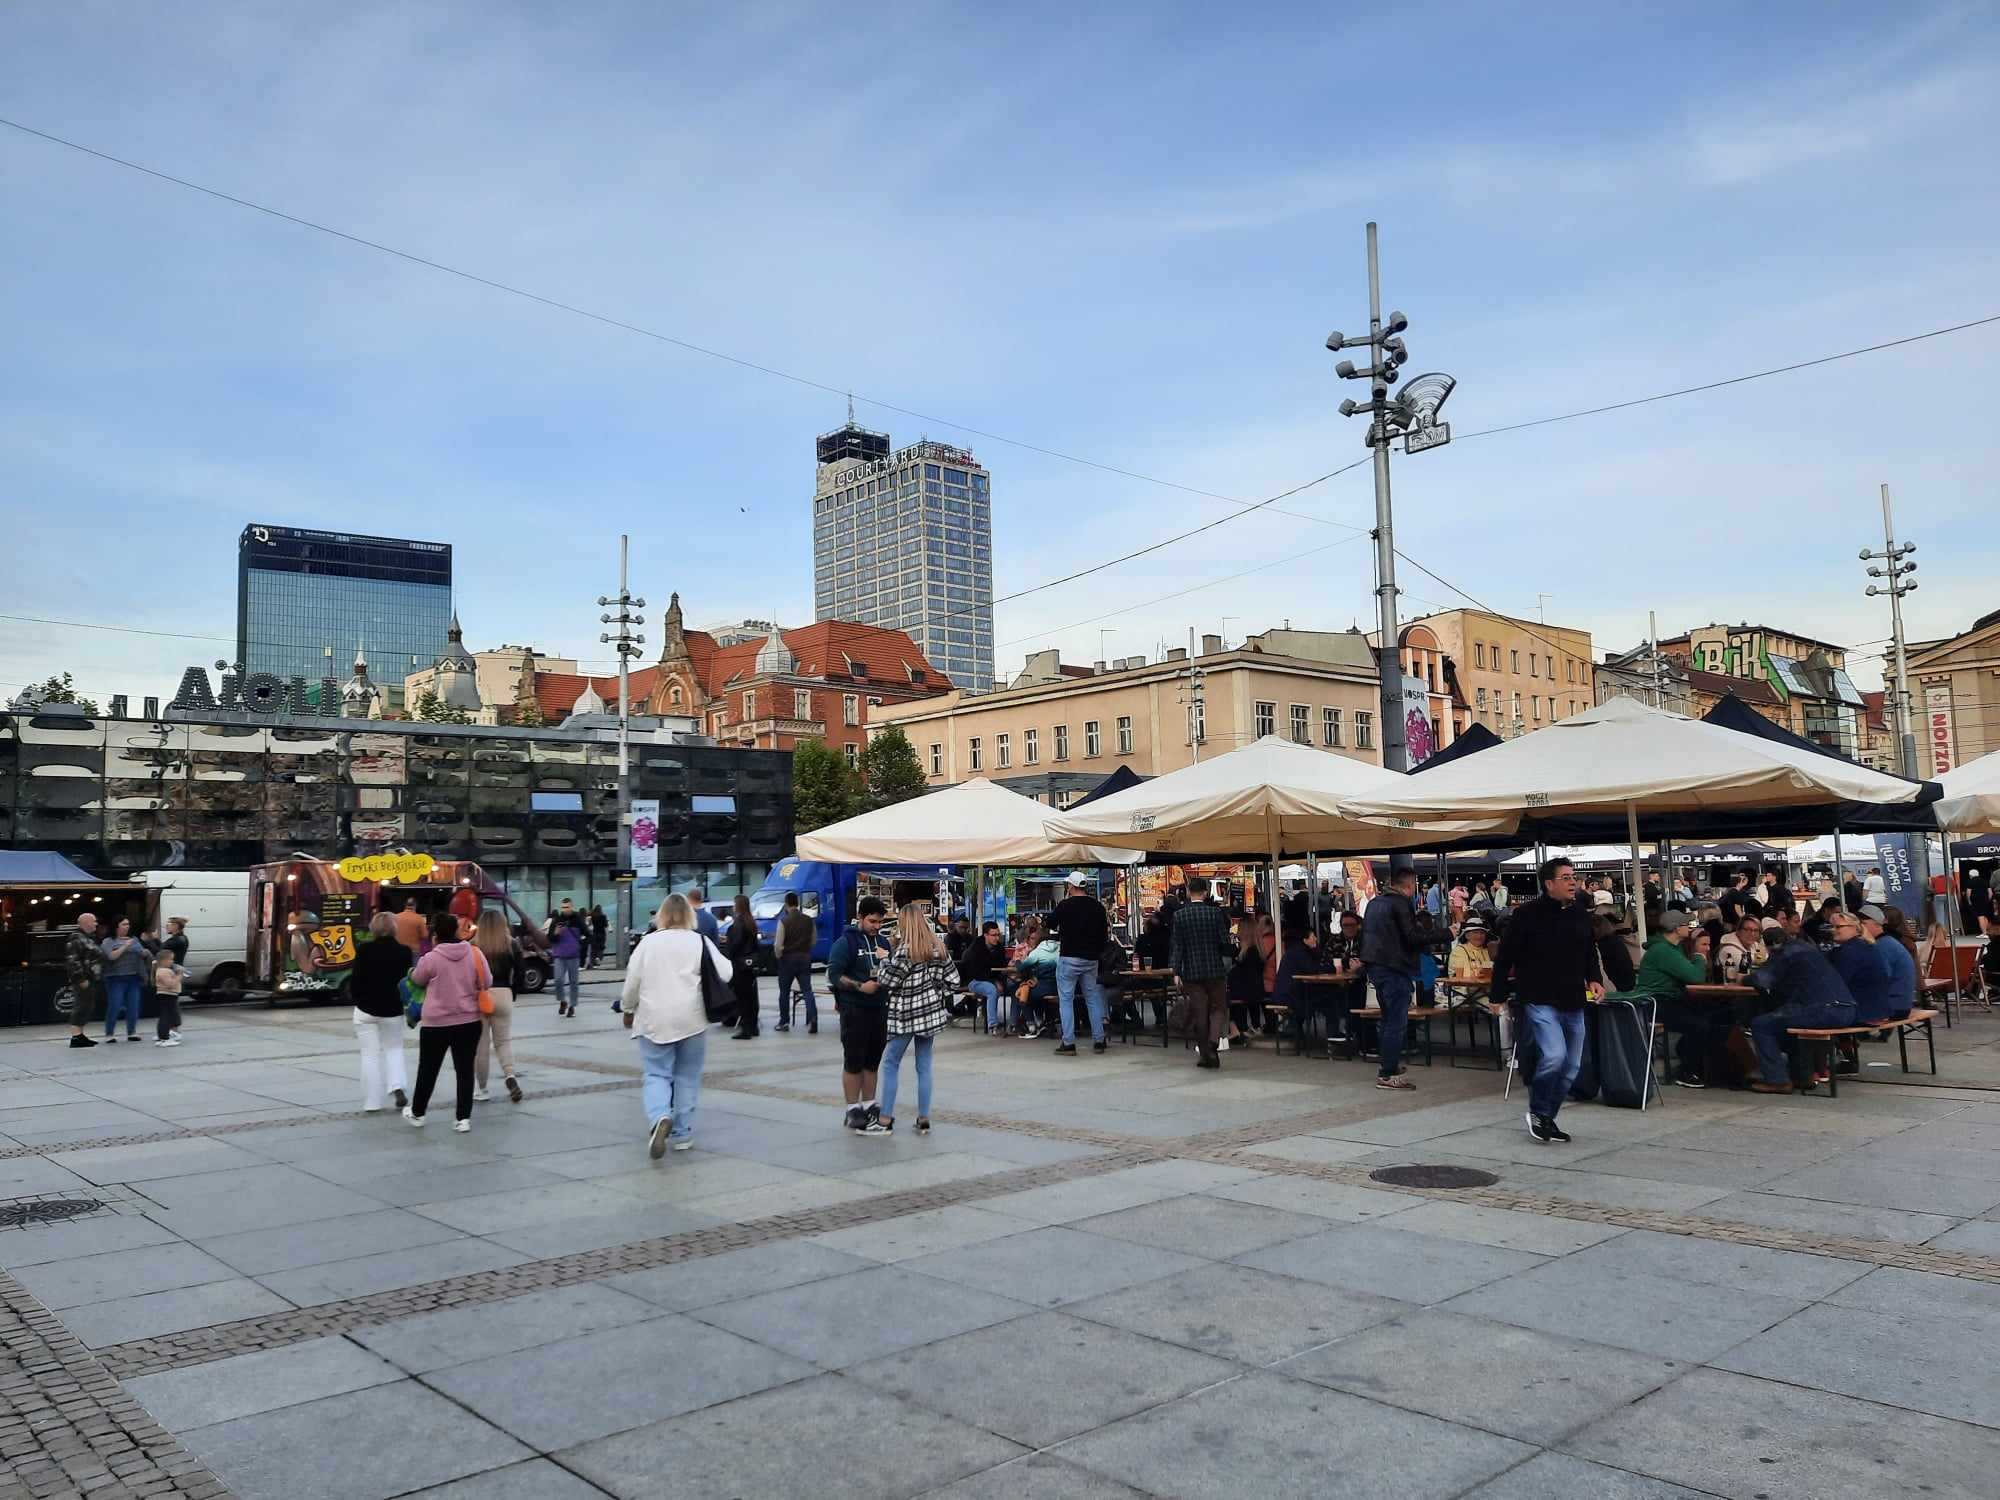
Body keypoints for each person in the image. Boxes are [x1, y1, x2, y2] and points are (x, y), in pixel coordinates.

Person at [1491, 858, 1605, 1144]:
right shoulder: (1527, 914)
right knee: (1554, 1056)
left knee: (1571, 1067)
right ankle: (1539, 1111)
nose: (1572, 882)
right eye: (1565, 877)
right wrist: (1498, 994)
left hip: (1573, 999)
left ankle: (1546, 1117)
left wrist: (1595, 979)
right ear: (1549, 883)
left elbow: (1589, 951)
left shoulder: (1580, 913)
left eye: (1573, 877)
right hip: (1539, 997)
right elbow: (1505, 957)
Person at [622, 893, 727, 1157]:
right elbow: (726, 972)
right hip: (691, 1018)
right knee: (687, 1077)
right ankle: (683, 1134)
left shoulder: (648, 943)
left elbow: (632, 982)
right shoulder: (699, 941)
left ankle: (660, 1116)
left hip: (653, 1019)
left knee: (657, 1073)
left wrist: (626, 1008)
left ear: (662, 914)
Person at [870, 906, 955, 1136]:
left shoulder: (906, 950)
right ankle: (924, 1117)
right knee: (924, 1066)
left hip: (906, 1015)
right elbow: (953, 981)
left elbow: (888, 980)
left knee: (890, 1063)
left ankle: (885, 1118)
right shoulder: (938, 947)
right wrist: (935, 992)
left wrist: (884, 959)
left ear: (906, 923)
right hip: (929, 1015)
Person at [1748, 919, 1856, 1094]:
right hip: (1847, 1009)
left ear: (1770, 946)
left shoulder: (1784, 952)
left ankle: (1777, 1080)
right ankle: (1801, 1075)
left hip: (1823, 1009)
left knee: (1761, 1024)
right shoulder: (1806, 948)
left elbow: (1762, 979)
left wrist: (1744, 978)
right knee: (1786, 1025)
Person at [406, 910, 488, 1131]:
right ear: (455, 930)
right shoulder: (475, 954)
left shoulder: (431, 958)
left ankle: (418, 1113)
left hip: (436, 1024)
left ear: (435, 935)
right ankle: (463, 1119)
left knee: (428, 1069)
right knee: (464, 1069)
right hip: (469, 1021)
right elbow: (486, 981)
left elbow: (416, 979)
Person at [1619, 910, 1719, 1088]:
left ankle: (1692, 1059)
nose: (1689, 927)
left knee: (1713, 1014)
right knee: (1698, 1024)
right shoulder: (1664, 951)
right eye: (1685, 924)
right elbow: (1695, 977)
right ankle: (1688, 1072)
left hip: (1667, 999)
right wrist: (1699, 956)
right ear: (1675, 928)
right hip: (1655, 1003)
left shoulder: (1672, 948)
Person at [828, 896, 889, 1131]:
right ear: (861, 918)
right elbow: (834, 975)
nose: (876, 926)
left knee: (873, 1061)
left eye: (880, 922)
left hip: (879, 1008)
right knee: (854, 1060)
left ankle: (870, 1102)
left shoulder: (884, 942)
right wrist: (859, 986)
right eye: (872, 921)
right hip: (854, 1009)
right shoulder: (846, 942)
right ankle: (852, 1108)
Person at [1360, 865, 1423, 1091]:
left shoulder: (1375, 903)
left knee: (1388, 1019)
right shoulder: (1400, 903)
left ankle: (1389, 1065)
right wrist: (1446, 933)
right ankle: (1387, 1072)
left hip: (1377, 967)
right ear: (1408, 885)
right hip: (1394, 967)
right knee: (1396, 1021)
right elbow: (1412, 936)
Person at [350, 912, 412, 1112]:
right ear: (394, 928)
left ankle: (372, 1102)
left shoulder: (364, 950)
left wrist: (359, 999)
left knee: (369, 1055)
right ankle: (397, 1087)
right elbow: (407, 982)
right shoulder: (404, 952)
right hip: (393, 1009)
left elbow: (356, 980)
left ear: (373, 928)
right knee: (394, 1050)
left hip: (366, 1010)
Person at [1171, 875, 1234, 1069]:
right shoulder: (1215, 914)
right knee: (1218, 1008)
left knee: (1200, 1011)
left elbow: (1178, 946)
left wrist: (1176, 971)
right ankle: (1214, 1041)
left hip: (1192, 970)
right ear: (1206, 893)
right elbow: (1224, 942)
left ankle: (1205, 1054)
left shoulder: (1179, 916)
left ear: (1189, 892)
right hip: (1215, 969)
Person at [1047, 871, 1110, 1056]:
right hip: (1091, 959)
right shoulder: (1098, 907)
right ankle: (1099, 1040)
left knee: (1066, 1000)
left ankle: (1068, 1043)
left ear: (1071, 887)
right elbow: (1103, 936)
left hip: (1069, 957)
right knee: (1092, 998)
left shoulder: (1065, 905)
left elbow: (1050, 923)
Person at [470, 910, 524, 1104]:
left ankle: (482, 1089)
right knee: (503, 1042)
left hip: (481, 996)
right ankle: (510, 1076)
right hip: (504, 994)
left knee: (481, 1046)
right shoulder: (512, 944)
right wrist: (513, 992)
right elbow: (520, 973)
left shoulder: (473, 945)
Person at [773, 892, 818, 1033]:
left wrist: (779, 955)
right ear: (797, 903)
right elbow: (814, 939)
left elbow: (778, 944)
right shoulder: (808, 920)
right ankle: (813, 1019)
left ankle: (784, 1022)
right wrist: (805, 949)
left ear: (786, 904)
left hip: (787, 959)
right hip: (804, 958)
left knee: (784, 992)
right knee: (807, 990)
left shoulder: (784, 921)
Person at [99, 917, 148, 1043]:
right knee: (114, 1005)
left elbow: (142, 954)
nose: (127, 927)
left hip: (133, 976)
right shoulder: (108, 941)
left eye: (128, 924)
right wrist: (125, 946)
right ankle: (109, 1033)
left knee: (133, 1005)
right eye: (124, 924)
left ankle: (132, 1032)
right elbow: (111, 956)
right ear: (116, 926)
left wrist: (144, 953)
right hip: (115, 978)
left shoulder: (134, 939)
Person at [960, 920, 1006, 1037]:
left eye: (998, 935)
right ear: (985, 935)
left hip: (993, 979)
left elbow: (1001, 966)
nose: (997, 938)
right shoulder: (975, 950)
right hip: (974, 981)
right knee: (991, 989)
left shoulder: (999, 948)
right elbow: (977, 973)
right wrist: (995, 981)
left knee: (1016, 986)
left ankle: (1016, 1023)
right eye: (993, 935)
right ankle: (993, 1025)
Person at [64, 912, 102, 1048]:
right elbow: (73, 961)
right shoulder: (76, 938)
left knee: (87, 1005)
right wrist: (80, 978)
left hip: (90, 977)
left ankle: (80, 1035)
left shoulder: (87, 938)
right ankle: (76, 1036)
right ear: (86, 923)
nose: (96, 924)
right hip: (83, 978)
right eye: (94, 921)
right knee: (81, 1005)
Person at [726, 893, 761, 1039]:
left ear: (738, 906)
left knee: (742, 998)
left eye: (734, 904)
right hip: (750, 964)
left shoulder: (738, 923)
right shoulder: (751, 922)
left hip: (739, 965)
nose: (733, 907)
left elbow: (735, 945)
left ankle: (746, 1028)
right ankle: (753, 1026)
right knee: (751, 997)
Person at [1875, 906, 1920, 1020]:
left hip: (1898, 997)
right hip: (1910, 990)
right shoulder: (1907, 940)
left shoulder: (1887, 942)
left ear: (1885, 920)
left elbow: (1883, 975)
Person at [547, 905, 584, 1018]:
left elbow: (588, 934)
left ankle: (572, 1006)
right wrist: (556, 933)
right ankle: (562, 1000)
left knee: (573, 982)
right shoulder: (557, 920)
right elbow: (550, 938)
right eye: (564, 907)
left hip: (574, 956)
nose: (566, 909)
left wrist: (581, 946)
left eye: (568, 907)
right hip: (559, 955)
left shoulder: (577, 920)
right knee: (558, 980)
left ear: (571, 907)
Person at [1716, 912, 1767, 984]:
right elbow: (1746, 969)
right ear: (1738, 931)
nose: (1752, 934)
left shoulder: (1755, 945)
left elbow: (1766, 963)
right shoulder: (1728, 948)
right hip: (1732, 992)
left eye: (1756, 931)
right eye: (1747, 930)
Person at [151, 948, 186, 1047]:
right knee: (166, 1016)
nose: (172, 961)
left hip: (169, 995)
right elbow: (170, 984)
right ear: (163, 961)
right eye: (170, 959)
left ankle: (163, 1036)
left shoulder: (163, 970)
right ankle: (164, 1038)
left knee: (166, 1016)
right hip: (168, 995)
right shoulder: (163, 971)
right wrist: (179, 975)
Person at [587, 904, 609, 968]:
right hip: (602, 934)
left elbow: (588, 923)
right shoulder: (603, 916)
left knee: (594, 949)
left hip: (594, 934)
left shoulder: (592, 916)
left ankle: (593, 963)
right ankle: (598, 957)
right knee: (601, 947)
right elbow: (605, 925)